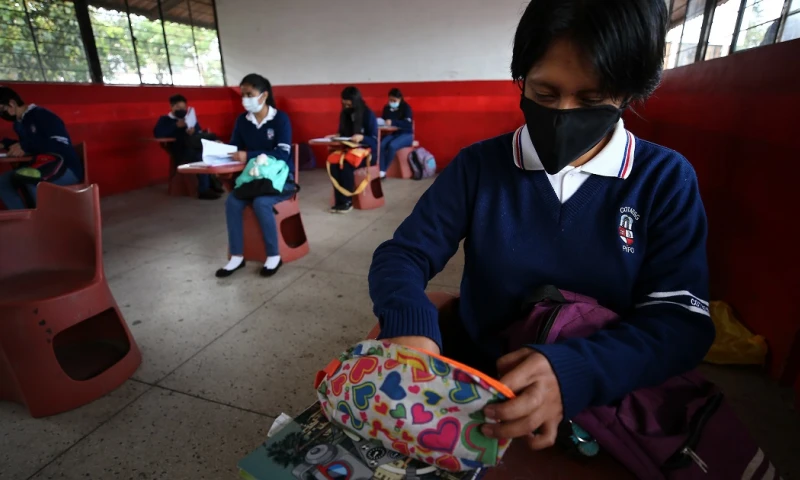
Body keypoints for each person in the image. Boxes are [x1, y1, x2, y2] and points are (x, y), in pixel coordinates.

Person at [368, 0, 714, 453]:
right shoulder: (479, 166)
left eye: (591, 100)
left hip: (601, 390)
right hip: (482, 379)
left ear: (629, 93)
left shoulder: (663, 179)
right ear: (520, 81)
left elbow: (681, 318)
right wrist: (410, 320)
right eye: (545, 94)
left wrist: (576, 371)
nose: (563, 114)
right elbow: (405, 254)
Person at [215, 74, 295, 278]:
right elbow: (236, 147)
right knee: (232, 202)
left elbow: (283, 154)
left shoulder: (280, 119)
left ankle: (273, 255)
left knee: (261, 203)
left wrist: (248, 155)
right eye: (243, 95)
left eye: (249, 94)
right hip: (252, 179)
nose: (245, 99)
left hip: (279, 179)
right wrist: (223, 151)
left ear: (264, 95)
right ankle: (236, 256)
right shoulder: (243, 120)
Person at [0, 86, 81, 210]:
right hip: (43, 166)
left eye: (2, 109)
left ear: (12, 103)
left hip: (66, 168)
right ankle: (25, 218)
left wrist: (25, 146)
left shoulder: (42, 115)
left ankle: (44, 222)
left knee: (28, 179)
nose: (2, 115)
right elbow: (31, 145)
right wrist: (6, 144)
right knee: (3, 182)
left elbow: (59, 143)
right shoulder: (20, 123)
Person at [153, 94, 221, 200]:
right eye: (178, 107)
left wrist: (193, 131)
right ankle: (204, 190)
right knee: (201, 157)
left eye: (183, 108)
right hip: (179, 150)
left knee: (207, 154)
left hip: (193, 146)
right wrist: (175, 126)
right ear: (172, 107)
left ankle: (213, 184)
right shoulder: (165, 120)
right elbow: (158, 134)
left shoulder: (189, 118)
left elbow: (198, 131)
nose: (181, 110)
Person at [329, 86, 378, 213]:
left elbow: (374, 140)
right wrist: (337, 137)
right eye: (344, 103)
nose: (346, 106)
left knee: (346, 165)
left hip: (367, 153)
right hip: (349, 151)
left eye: (348, 103)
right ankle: (339, 201)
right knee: (334, 164)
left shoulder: (368, 114)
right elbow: (343, 134)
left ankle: (347, 201)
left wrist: (362, 137)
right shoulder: (344, 114)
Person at [379, 88, 414, 178]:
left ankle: (384, 170)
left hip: (406, 134)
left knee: (392, 146)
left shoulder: (406, 108)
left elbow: (408, 124)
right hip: (393, 134)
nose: (392, 102)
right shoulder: (387, 108)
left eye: (394, 100)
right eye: (390, 100)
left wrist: (393, 122)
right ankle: (381, 170)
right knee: (381, 145)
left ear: (400, 99)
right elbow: (384, 120)